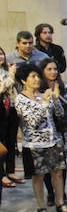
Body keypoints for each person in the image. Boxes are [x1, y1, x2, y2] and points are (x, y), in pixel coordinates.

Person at [13, 63, 67, 212]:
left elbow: (58, 113)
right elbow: (33, 122)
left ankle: (60, 202)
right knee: (38, 176)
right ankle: (41, 207)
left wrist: (54, 99)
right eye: (32, 77)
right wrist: (44, 103)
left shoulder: (43, 94)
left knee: (57, 173)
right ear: (24, 80)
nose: (37, 79)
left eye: (38, 76)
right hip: (34, 144)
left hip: (53, 140)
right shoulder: (20, 99)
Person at [39, 57, 67, 207]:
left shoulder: (62, 86)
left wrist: (56, 96)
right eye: (49, 69)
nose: (53, 72)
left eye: (55, 69)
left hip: (61, 129)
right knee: (47, 165)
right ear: (42, 72)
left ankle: (62, 192)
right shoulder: (38, 89)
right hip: (44, 130)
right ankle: (51, 193)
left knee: (61, 164)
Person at [0, 47, 23, 189]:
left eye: (1, 54)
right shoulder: (9, 74)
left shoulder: (7, 71)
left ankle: (11, 170)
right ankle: (1, 173)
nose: (0, 57)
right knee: (1, 141)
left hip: (12, 108)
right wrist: (10, 77)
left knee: (11, 140)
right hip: (0, 110)